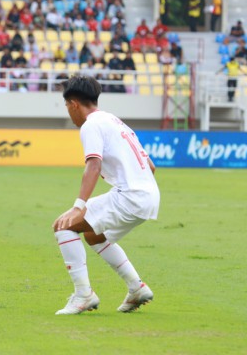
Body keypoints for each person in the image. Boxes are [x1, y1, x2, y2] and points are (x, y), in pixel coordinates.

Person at [53, 75, 159, 315]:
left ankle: (83, 295)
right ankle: (136, 287)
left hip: (130, 196)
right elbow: (150, 166)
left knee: (63, 226)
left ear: (73, 104)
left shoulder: (91, 125)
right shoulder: (115, 121)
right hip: (149, 196)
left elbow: (93, 165)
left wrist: (79, 206)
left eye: (67, 106)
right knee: (93, 235)